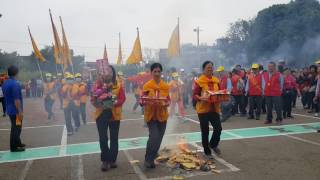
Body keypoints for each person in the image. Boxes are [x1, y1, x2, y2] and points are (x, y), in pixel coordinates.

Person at [91, 65, 126, 172]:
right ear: (102, 73)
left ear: (113, 73)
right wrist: (98, 103)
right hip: (101, 115)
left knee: (114, 139)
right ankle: (105, 161)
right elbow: (93, 99)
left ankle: (112, 160)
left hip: (114, 115)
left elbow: (122, 98)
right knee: (103, 138)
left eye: (110, 71)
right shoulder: (97, 85)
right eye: (106, 71)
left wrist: (115, 103)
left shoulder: (118, 85)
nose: (108, 73)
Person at [141, 63, 170, 169]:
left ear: (161, 72)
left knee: (158, 139)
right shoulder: (147, 86)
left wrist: (166, 103)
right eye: (155, 71)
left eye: (159, 71)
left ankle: (152, 157)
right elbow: (142, 99)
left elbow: (168, 100)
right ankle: (148, 160)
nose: (157, 73)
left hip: (162, 116)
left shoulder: (165, 86)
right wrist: (144, 102)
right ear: (151, 72)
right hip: (151, 116)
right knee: (154, 136)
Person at [193, 61, 222, 157]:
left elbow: (220, 92)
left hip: (214, 108)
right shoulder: (199, 81)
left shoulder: (216, 80)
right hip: (203, 109)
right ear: (203, 69)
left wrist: (223, 96)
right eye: (207, 67)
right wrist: (201, 98)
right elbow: (195, 95)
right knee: (205, 130)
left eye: (211, 67)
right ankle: (207, 150)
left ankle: (213, 144)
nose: (210, 69)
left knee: (218, 128)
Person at [2, 66, 25, 152]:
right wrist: (20, 112)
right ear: (16, 73)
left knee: (16, 127)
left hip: (9, 108)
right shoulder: (15, 84)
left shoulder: (5, 83)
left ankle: (18, 142)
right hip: (15, 110)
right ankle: (14, 147)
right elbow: (16, 100)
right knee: (16, 128)